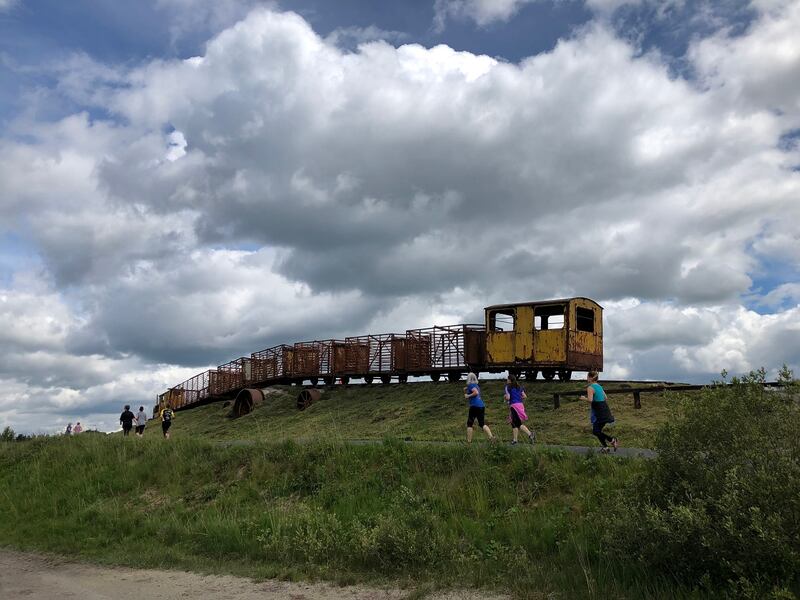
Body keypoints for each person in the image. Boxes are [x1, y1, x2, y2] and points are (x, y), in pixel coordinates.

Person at [584, 371, 618, 453]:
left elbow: (590, 400)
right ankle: (606, 447)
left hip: (599, 412)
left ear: (591, 378)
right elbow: (605, 397)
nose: (586, 378)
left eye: (587, 376)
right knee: (597, 431)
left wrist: (583, 398)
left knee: (596, 431)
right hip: (605, 410)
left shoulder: (590, 388)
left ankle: (612, 440)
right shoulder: (599, 386)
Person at [504, 373, 535, 445]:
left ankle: (530, 435)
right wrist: (518, 398)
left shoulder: (508, 387)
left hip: (514, 406)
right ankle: (515, 440)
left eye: (507, 379)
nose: (506, 380)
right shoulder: (519, 386)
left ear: (509, 380)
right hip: (520, 405)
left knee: (516, 423)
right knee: (514, 423)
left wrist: (505, 397)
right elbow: (524, 396)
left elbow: (508, 397)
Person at [464, 372, 495, 443]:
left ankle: (468, 442)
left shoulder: (471, 385)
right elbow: (474, 390)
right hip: (481, 406)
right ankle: (491, 437)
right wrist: (466, 390)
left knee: (469, 424)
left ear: (468, 378)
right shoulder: (476, 385)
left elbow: (476, 393)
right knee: (482, 424)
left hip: (474, 406)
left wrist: (468, 396)